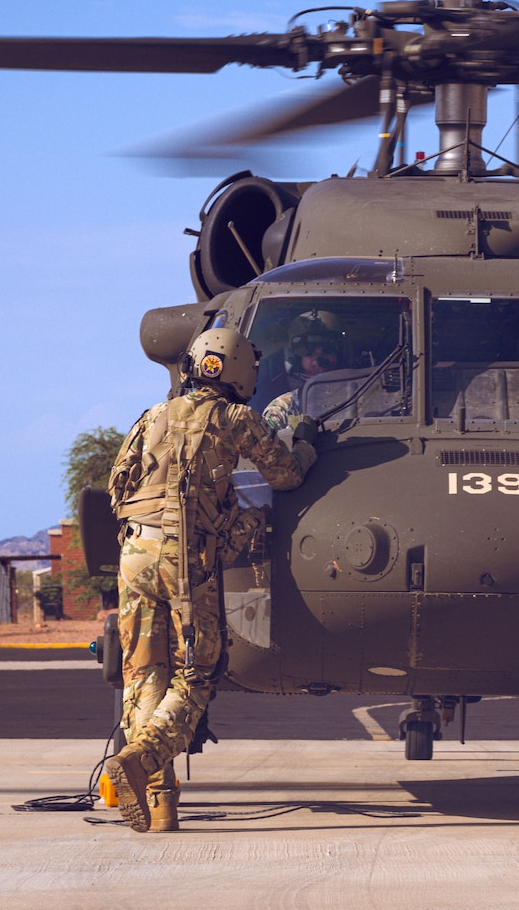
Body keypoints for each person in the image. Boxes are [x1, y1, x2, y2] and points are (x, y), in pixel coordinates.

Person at [104, 327, 318, 833]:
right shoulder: (235, 418)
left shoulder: (151, 416)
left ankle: (160, 807)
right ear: (241, 372)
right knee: (196, 675)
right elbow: (285, 474)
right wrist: (305, 443)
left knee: (143, 675)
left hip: (134, 553)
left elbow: (118, 485)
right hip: (187, 560)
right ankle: (143, 756)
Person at [262, 309, 347, 432]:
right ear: (296, 358)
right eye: (310, 351)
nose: (319, 358)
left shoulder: (361, 395)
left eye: (327, 350)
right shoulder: (284, 406)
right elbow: (266, 444)